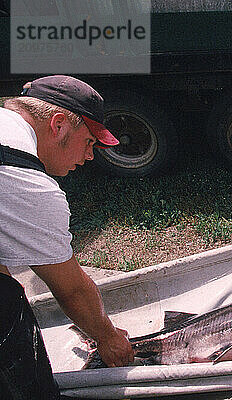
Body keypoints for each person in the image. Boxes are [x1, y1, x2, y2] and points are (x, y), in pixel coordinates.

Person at [0, 75, 134, 398]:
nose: (90, 157)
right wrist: (108, 338)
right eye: (89, 142)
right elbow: (71, 289)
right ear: (58, 125)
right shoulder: (28, 184)